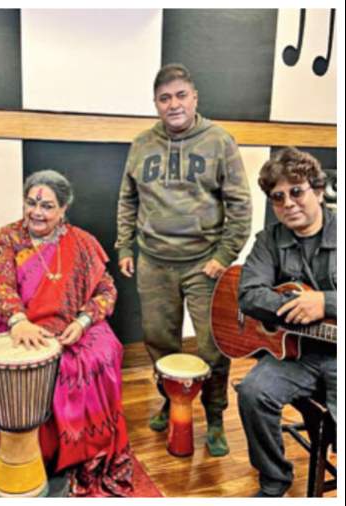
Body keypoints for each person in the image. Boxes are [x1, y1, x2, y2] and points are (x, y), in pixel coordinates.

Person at [115, 63, 252, 456]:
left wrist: (224, 255)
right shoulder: (141, 144)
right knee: (160, 341)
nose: (173, 104)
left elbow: (240, 205)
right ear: (155, 104)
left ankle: (213, 417)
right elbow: (128, 199)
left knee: (213, 346)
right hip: (154, 261)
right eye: (164, 98)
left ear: (194, 98)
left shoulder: (219, 141)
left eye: (180, 95)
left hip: (203, 263)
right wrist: (125, 247)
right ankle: (169, 399)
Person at [0, 170, 132, 497]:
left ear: (63, 209)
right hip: (17, 324)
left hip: (72, 326)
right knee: (49, 365)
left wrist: (83, 322)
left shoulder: (81, 241)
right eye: (31, 203)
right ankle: (40, 455)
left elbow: (106, 290)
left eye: (47, 206)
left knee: (104, 351)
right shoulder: (7, 238)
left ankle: (88, 454)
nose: (37, 212)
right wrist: (18, 320)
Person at [235, 148, 336, 497]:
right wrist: (296, 304)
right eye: (278, 197)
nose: (288, 203)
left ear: (319, 191)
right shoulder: (269, 240)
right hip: (297, 354)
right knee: (252, 392)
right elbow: (248, 295)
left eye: (297, 191)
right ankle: (275, 478)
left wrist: (324, 301)